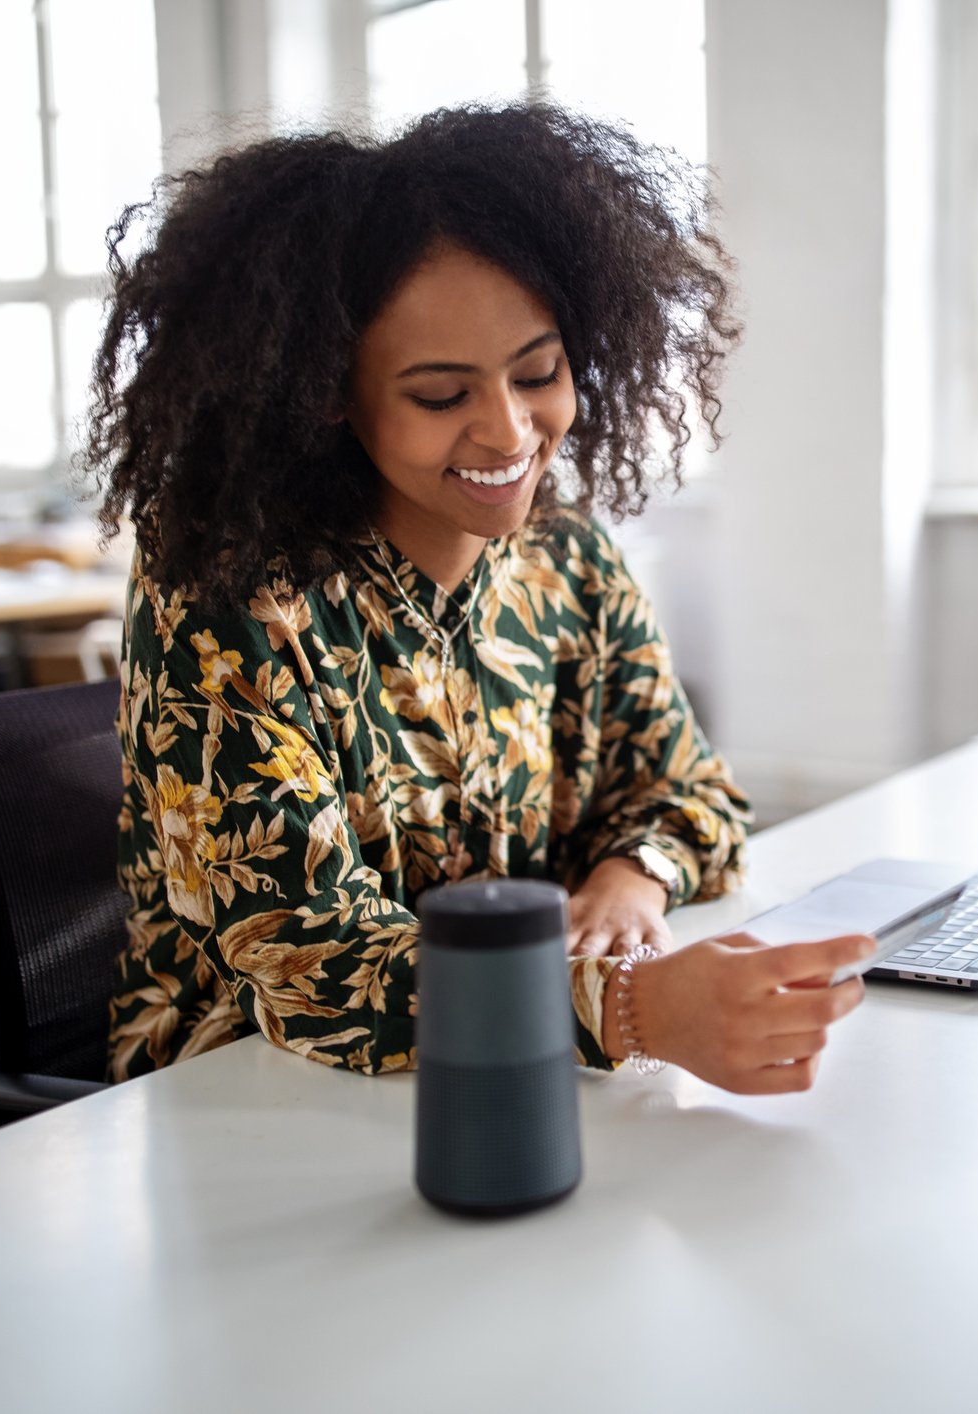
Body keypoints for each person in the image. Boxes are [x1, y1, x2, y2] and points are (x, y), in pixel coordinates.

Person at [85, 103, 871, 1095]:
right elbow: (309, 960)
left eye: (537, 373)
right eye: (440, 395)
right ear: (328, 389)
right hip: (246, 1088)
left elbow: (691, 794)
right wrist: (625, 1008)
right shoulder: (231, 591)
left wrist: (636, 875)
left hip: (509, 1069)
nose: (508, 435)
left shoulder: (565, 557)